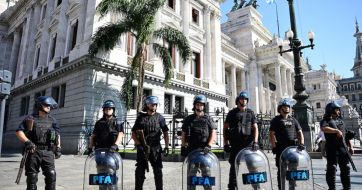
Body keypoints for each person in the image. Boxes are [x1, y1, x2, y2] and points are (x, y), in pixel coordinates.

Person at [15, 96, 61, 190]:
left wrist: (59, 147)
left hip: (48, 152)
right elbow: (19, 132)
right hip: (33, 151)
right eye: (46, 105)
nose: (49, 107)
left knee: (51, 175)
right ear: (39, 105)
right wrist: (27, 141)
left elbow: (57, 135)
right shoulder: (30, 118)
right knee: (32, 177)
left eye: (50, 106)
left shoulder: (53, 120)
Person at [132, 95, 170, 190]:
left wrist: (166, 146)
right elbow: (133, 133)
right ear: (147, 105)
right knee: (140, 171)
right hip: (143, 148)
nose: (153, 106)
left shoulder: (160, 118)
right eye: (151, 104)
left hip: (155, 148)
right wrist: (138, 144)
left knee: (158, 171)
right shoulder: (141, 118)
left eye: (155, 104)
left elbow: (165, 132)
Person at [223, 91, 259, 190]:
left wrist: (255, 142)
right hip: (235, 145)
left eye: (245, 99)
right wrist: (225, 143)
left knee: (252, 167)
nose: (243, 101)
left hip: (248, 144)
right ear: (238, 100)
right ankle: (231, 188)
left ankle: (256, 187)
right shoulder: (231, 113)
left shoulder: (251, 113)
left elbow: (255, 128)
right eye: (242, 99)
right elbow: (225, 128)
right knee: (234, 169)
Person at [181, 95, 217, 189]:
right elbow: (184, 133)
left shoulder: (208, 119)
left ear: (204, 106)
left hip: (205, 152)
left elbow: (213, 132)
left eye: (201, 104)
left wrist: (209, 145)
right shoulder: (189, 119)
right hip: (192, 152)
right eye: (197, 104)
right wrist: (183, 146)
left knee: (207, 178)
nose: (199, 106)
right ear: (194, 105)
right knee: (191, 179)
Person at [269, 98, 304, 190]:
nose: (287, 108)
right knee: (281, 171)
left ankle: (292, 188)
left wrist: (302, 144)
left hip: (293, 148)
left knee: (293, 171)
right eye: (285, 106)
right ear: (280, 108)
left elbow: (300, 132)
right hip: (281, 149)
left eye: (288, 106)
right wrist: (274, 146)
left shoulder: (293, 120)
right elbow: (271, 134)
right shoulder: (276, 120)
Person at [320, 102, 354, 190]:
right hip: (332, 148)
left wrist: (351, 146)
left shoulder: (341, 121)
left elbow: (345, 135)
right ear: (331, 110)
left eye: (338, 109)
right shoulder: (326, 120)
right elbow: (324, 128)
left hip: (343, 148)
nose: (338, 111)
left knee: (346, 168)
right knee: (332, 169)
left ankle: (347, 188)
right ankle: (332, 188)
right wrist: (336, 131)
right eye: (336, 109)